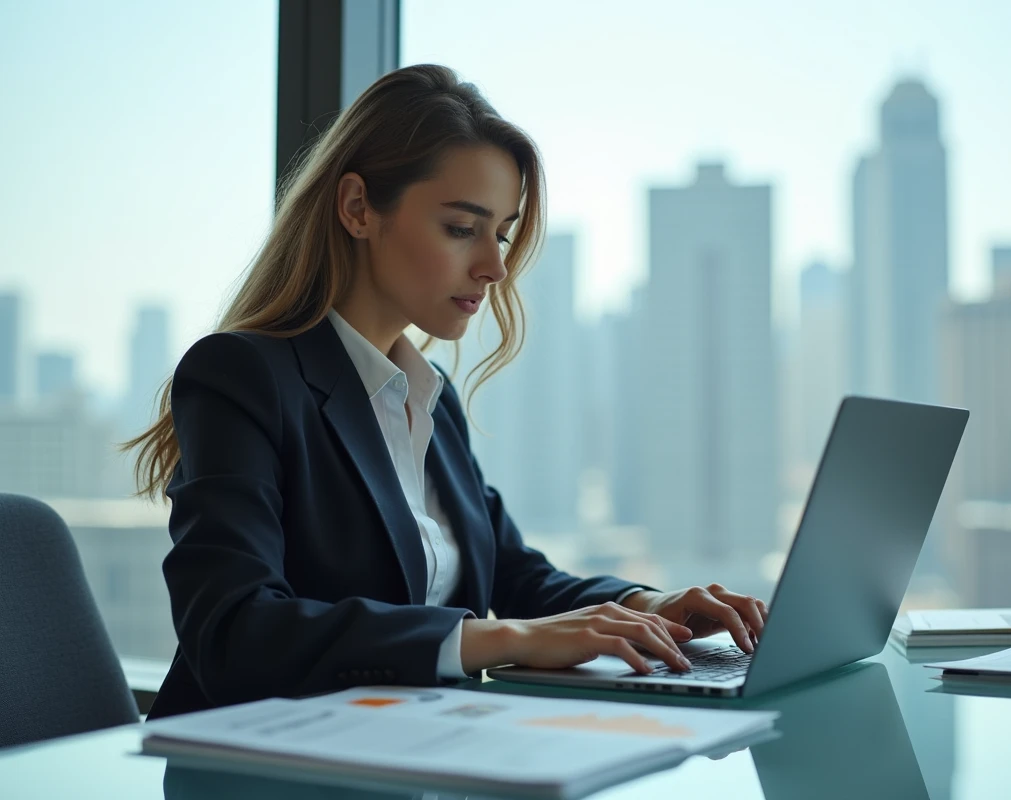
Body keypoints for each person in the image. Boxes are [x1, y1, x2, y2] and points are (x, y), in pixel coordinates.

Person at [127, 64, 768, 720]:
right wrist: (497, 639)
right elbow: (233, 631)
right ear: (357, 209)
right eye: (463, 228)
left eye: (503, 234)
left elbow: (517, 575)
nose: (493, 267)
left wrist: (650, 605)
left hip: (407, 750)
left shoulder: (428, 398)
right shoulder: (242, 375)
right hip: (256, 767)